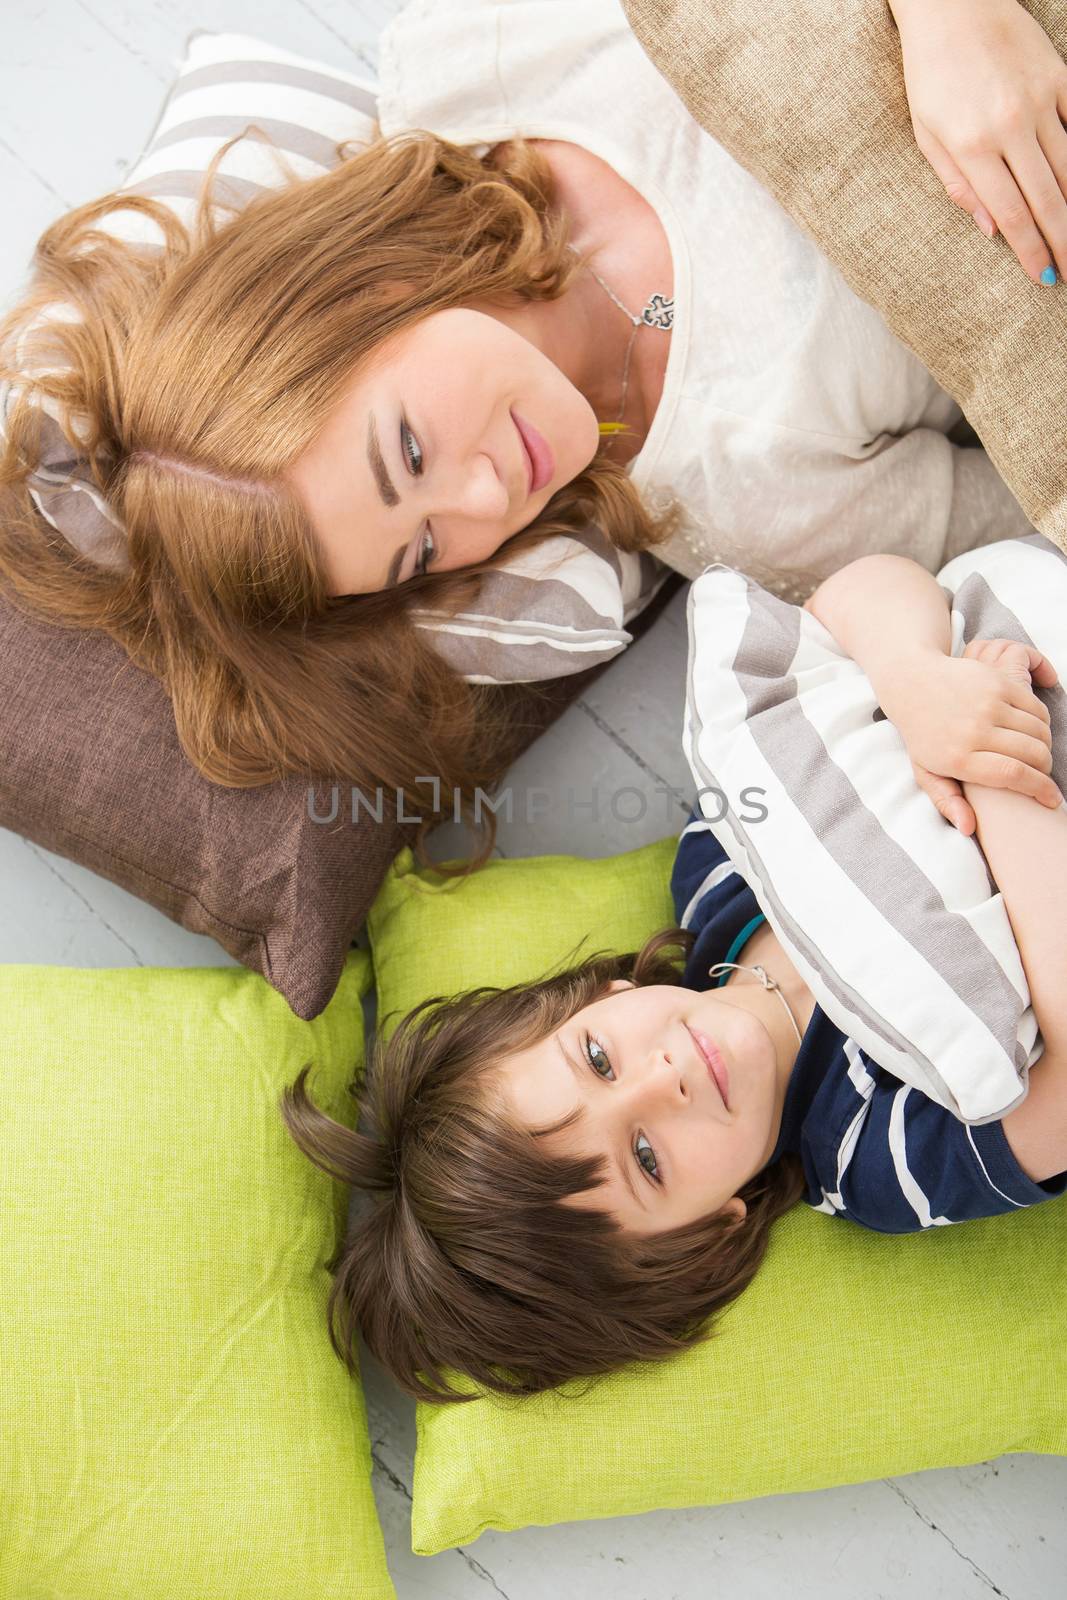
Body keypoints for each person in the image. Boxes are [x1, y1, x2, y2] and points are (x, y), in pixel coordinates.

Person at [1, 0, 1063, 834]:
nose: (481, 499)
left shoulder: (479, 55)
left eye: (406, 450)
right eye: (421, 549)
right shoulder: (737, 502)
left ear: (363, 294)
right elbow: (1033, 494)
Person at [282, 551, 1067, 1403]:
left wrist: (919, 681)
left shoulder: (717, 874)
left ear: (595, 999)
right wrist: (994, 768)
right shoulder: (875, 1156)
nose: (663, 1079)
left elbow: (849, 597)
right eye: (647, 1159)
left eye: (596, 1059)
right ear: (709, 1231)